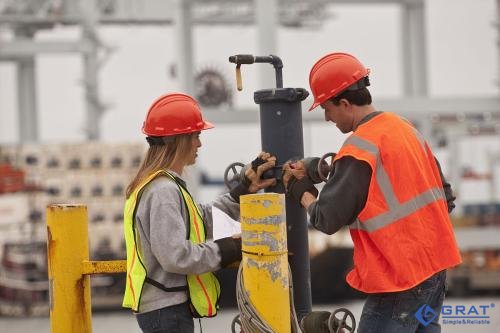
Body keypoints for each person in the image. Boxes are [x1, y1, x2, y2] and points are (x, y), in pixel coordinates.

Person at [283, 52, 462, 333]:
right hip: (435, 272)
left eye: (327, 109)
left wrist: (301, 190)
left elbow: (325, 219)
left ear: (344, 103)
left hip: (398, 280)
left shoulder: (358, 148)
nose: (327, 117)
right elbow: (444, 197)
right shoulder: (404, 129)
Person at [122, 92, 276, 333]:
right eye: (196, 135)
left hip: (165, 309)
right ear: (179, 140)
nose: (199, 144)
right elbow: (175, 256)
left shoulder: (163, 186)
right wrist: (228, 249)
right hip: (167, 313)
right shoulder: (163, 191)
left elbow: (202, 220)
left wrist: (242, 191)